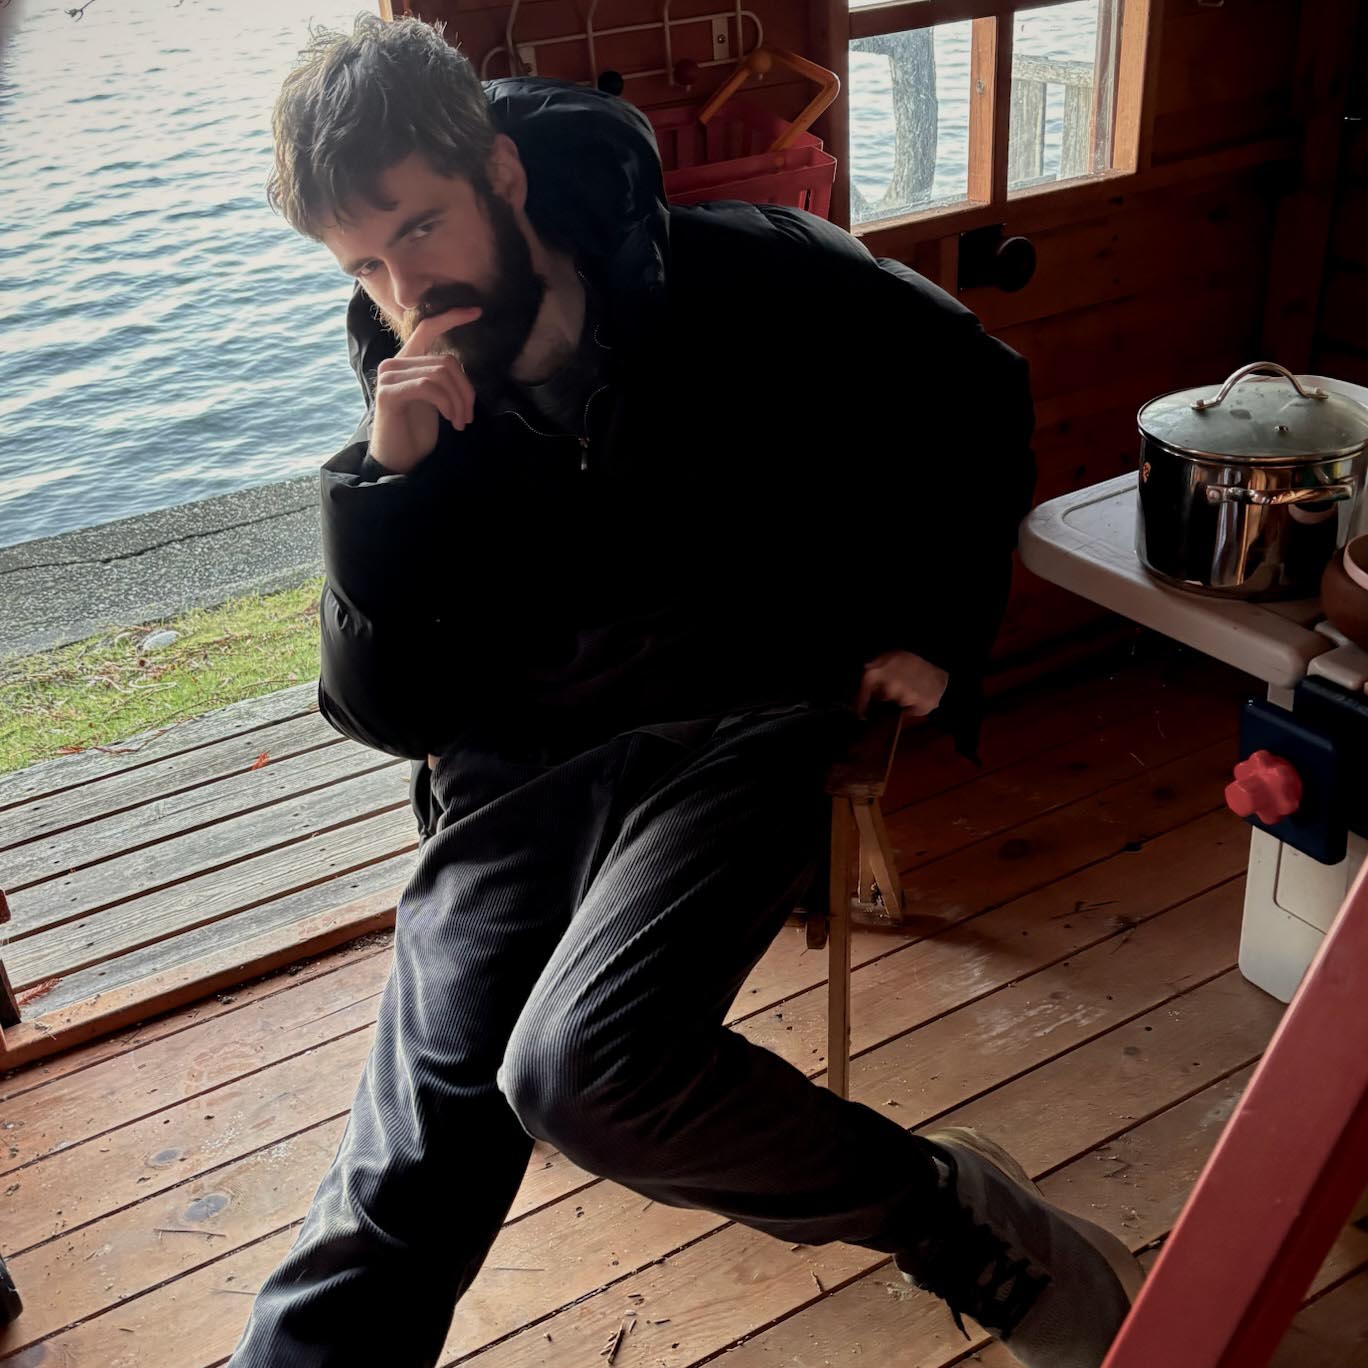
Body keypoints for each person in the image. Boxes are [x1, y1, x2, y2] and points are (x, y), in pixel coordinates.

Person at [229, 14, 1140, 1368]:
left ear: (503, 176)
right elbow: (389, 714)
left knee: (578, 1071)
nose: (400, 289)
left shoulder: (747, 273)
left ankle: (969, 1234)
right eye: (360, 264)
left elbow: (975, 385)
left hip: (743, 719)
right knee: (410, 1168)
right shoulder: (407, 383)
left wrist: (937, 620)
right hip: (518, 771)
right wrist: (383, 487)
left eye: (419, 229)